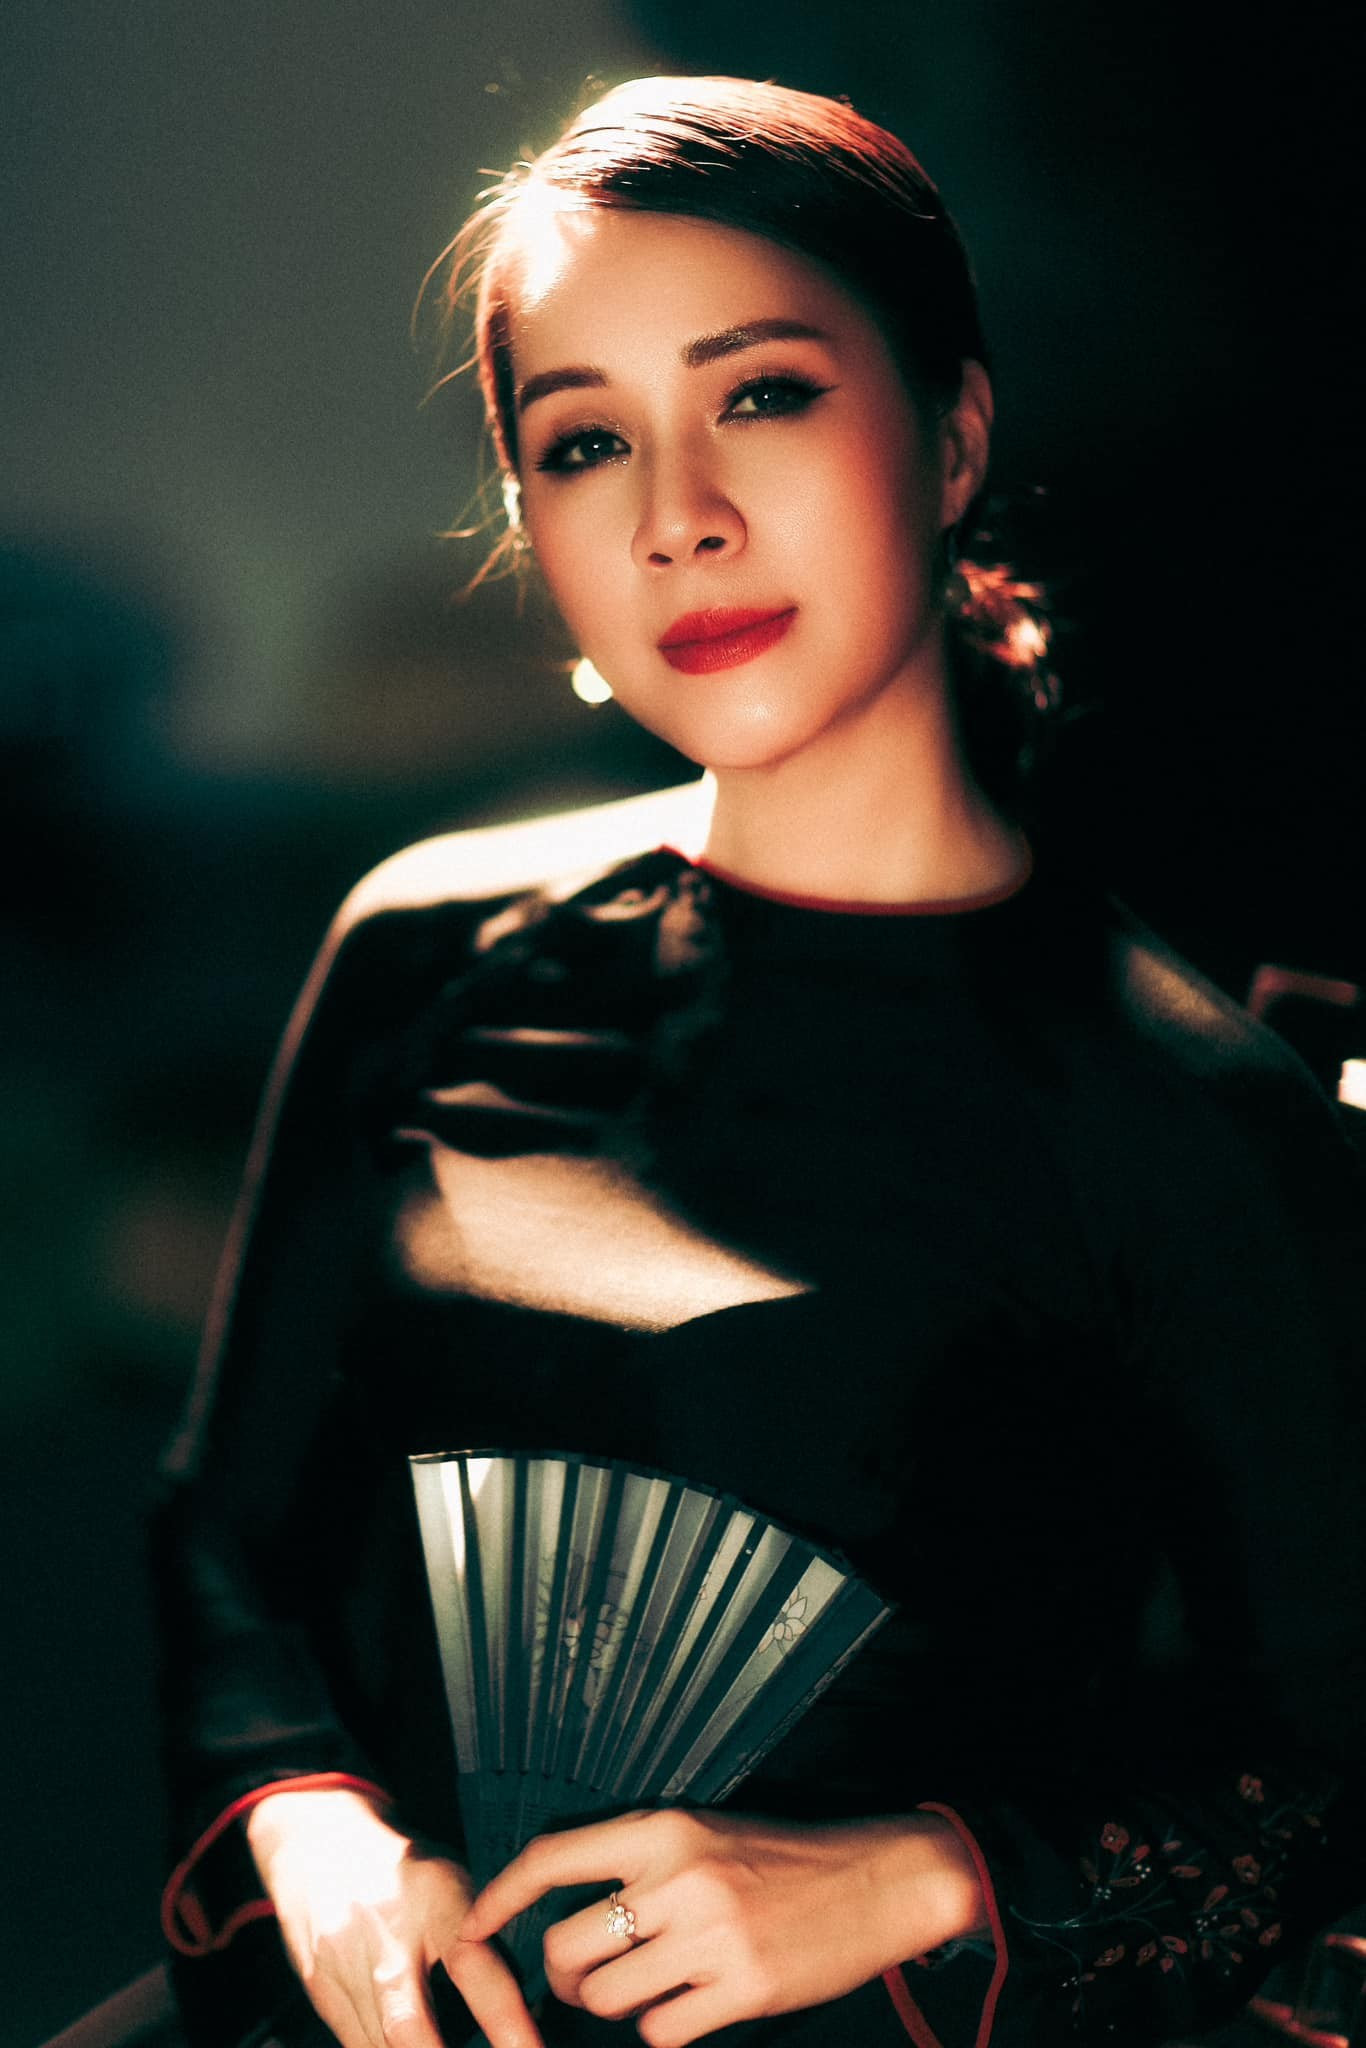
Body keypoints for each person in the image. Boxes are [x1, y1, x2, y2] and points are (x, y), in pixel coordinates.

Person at [151, 73, 1366, 2048]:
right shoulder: (419, 945)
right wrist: (306, 1821)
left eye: (765, 395)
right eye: (583, 443)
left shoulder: (1192, 1110)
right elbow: (228, 1533)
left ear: (950, 436)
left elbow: (1321, 1764)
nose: (677, 519)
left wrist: (921, 1873)